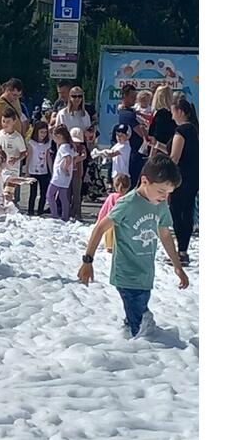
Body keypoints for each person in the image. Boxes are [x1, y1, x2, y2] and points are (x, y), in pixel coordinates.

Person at [77, 155, 189, 338]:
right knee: (141, 322)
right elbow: (100, 228)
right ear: (145, 181)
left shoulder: (159, 204)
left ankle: (132, 342)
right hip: (126, 273)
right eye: (161, 191)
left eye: (169, 193)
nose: (165, 197)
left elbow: (165, 234)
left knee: (137, 317)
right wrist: (88, 260)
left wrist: (177, 266)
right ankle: (143, 354)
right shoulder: (128, 203)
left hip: (145, 273)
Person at [167, 97, 199, 266]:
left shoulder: (182, 131)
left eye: (173, 112)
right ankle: (183, 251)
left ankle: (180, 252)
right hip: (194, 177)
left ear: (179, 112)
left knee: (177, 213)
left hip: (180, 178)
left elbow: (175, 157)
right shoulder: (195, 129)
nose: (172, 117)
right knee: (187, 212)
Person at [0, 107, 28, 208]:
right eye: (3, 121)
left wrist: (16, 159)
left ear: (14, 122)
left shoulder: (17, 137)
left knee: (8, 193)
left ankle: (10, 212)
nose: (5, 124)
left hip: (12, 171)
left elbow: (24, 153)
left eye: (8, 122)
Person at [118, 84, 149, 183]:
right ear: (124, 96)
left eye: (135, 97)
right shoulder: (127, 115)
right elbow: (141, 133)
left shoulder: (132, 111)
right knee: (134, 181)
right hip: (132, 153)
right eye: (132, 97)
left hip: (136, 153)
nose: (134, 99)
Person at [95, 174, 132, 252]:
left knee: (110, 248)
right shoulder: (129, 198)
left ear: (114, 185)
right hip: (124, 229)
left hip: (110, 227)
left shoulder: (112, 197)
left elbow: (103, 211)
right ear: (128, 186)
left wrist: (99, 223)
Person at [47, 126, 75, 221]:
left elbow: (68, 158)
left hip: (59, 176)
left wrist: (64, 168)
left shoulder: (64, 147)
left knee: (50, 195)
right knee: (63, 197)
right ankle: (65, 216)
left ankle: (54, 214)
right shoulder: (69, 146)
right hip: (65, 177)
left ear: (59, 136)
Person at [26, 120, 52, 215]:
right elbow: (28, 157)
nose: (43, 134)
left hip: (44, 171)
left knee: (43, 193)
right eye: (41, 132)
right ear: (36, 132)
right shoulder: (31, 143)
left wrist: (51, 170)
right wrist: (27, 171)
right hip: (33, 171)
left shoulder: (47, 143)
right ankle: (30, 211)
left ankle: (40, 211)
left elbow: (48, 157)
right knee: (33, 193)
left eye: (45, 132)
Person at [147, 85, 176, 159]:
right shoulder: (173, 113)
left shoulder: (161, 114)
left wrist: (151, 156)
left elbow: (156, 137)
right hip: (172, 149)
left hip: (160, 152)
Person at [68, 127, 89, 221]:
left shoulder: (82, 147)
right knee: (67, 194)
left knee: (77, 194)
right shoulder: (67, 147)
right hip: (67, 174)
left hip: (77, 173)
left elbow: (84, 155)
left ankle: (78, 213)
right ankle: (68, 212)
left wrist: (78, 159)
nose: (76, 143)